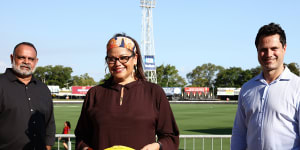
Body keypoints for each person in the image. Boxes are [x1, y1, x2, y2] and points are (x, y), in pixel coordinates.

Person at [75, 33, 179, 150]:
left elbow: (170, 137)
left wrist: (157, 146)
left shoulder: (154, 92)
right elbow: (81, 138)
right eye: (112, 59)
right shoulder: (94, 94)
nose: (117, 63)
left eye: (124, 58)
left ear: (135, 59)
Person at [231, 23, 300, 149]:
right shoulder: (247, 88)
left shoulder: (297, 87)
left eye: (274, 48)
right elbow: (239, 132)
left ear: (284, 48)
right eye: (263, 49)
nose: (269, 54)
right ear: (257, 50)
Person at [0, 42, 56, 150]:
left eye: (30, 59)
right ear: (12, 58)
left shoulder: (43, 89)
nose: (26, 62)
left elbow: (49, 124)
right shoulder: (1, 85)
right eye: (21, 57)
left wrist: (47, 147)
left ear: (36, 61)